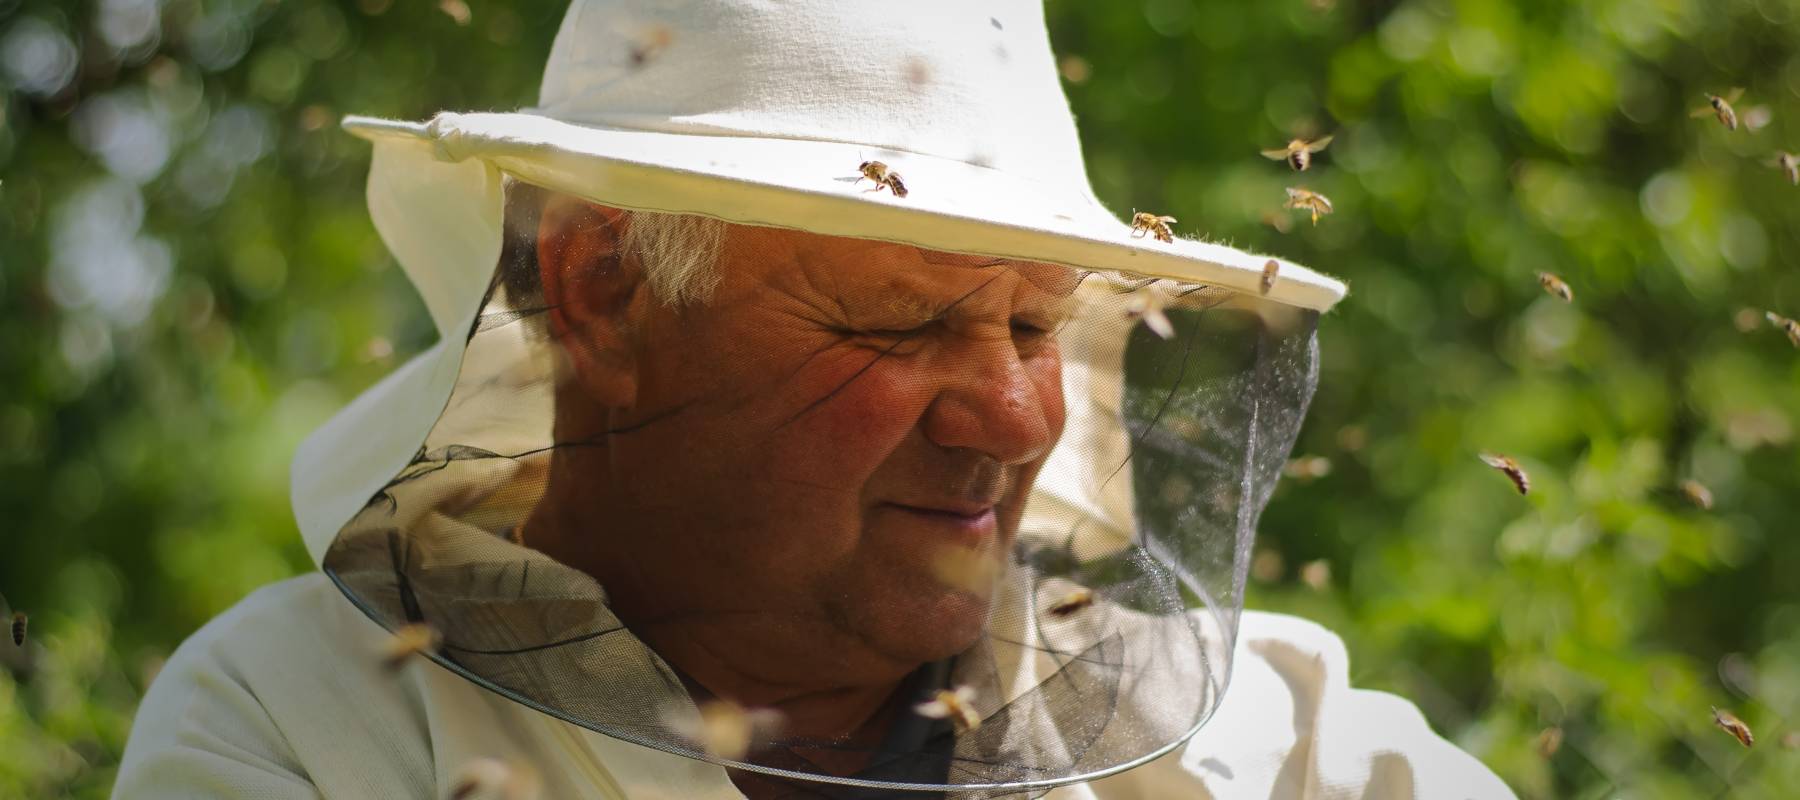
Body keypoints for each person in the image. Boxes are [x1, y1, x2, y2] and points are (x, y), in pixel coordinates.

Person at [115, 1, 1517, 798]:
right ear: (604, 289)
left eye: (1036, 322)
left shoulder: (1285, 743)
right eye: (905, 321)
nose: (1020, 418)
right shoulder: (299, 726)